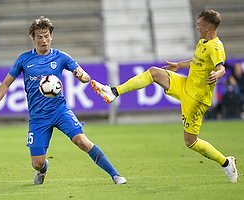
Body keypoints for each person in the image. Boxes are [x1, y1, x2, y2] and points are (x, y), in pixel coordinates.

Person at [91, 9, 239, 182]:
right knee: (154, 72)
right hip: (186, 85)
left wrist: (219, 74)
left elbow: (221, 67)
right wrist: (179, 65)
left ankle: (226, 163)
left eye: (199, 25)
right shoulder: (203, 42)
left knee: (191, 142)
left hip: (197, 99)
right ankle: (114, 91)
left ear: (208, 27)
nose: (197, 27)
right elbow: (197, 61)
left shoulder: (216, 46)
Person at [0, 16, 126, 185]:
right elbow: (6, 83)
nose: (44, 40)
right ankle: (43, 170)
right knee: (37, 163)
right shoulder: (24, 60)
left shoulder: (61, 57)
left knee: (82, 141)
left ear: (51, 35)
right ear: (33, 38)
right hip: (38, 117)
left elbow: (85, 76)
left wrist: (81, 76)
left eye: (46, 36)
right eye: (39, 37)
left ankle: (115, 175)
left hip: (60, 110)